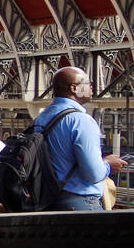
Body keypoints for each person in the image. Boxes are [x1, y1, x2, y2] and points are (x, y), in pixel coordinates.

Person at [34, 67, 127, 210]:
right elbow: (93, 174)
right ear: (74, 88)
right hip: (79, 203)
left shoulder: (42, 117)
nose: (91, 87)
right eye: (88, 83)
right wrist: (108, 164)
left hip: (48, 200)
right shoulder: (81, 121)